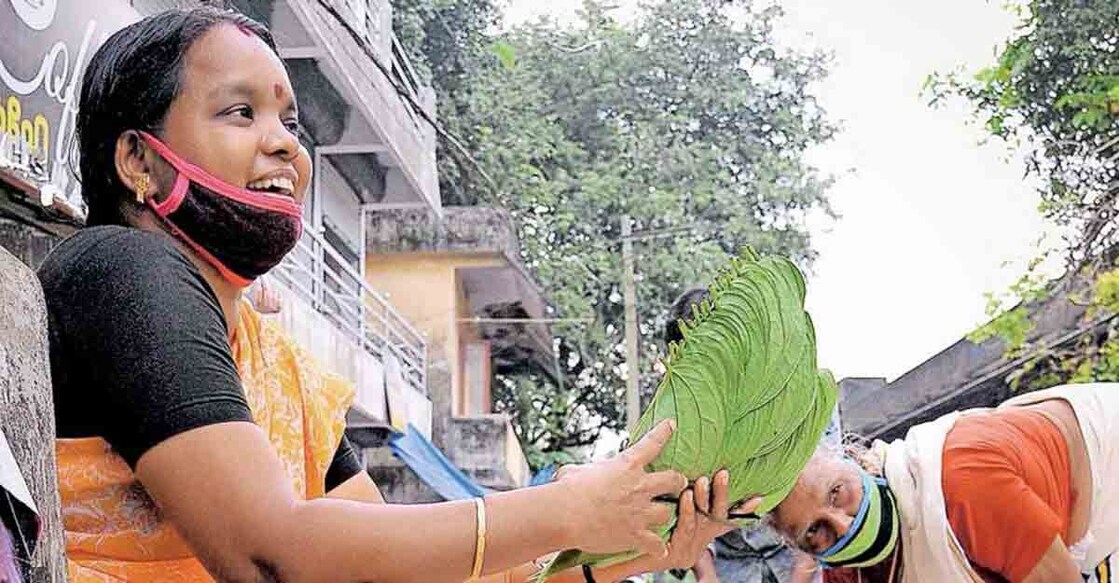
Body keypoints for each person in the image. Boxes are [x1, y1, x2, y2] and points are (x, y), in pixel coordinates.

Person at [38, 8, 755, 583]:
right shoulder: (121, 268)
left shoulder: (280, 367)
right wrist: (559, 511)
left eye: (290, 123)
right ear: (137, 159)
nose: (286, 145)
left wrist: (601, 549)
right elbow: (270, 554)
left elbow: (384, 566)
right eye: (239, 112)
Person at [768, 382, 1119, 583]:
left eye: (837, 494)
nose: (843, 526)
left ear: (862, 464)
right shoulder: (847, 572)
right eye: (816, 532)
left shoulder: (964, 486)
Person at [663, 287, 842, 583]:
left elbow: (824, 496)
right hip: (730, 564)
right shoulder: (680, 420)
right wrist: (707, 575)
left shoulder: (802, 392)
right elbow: (683, 511)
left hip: (801, 554)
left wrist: (802, 575)